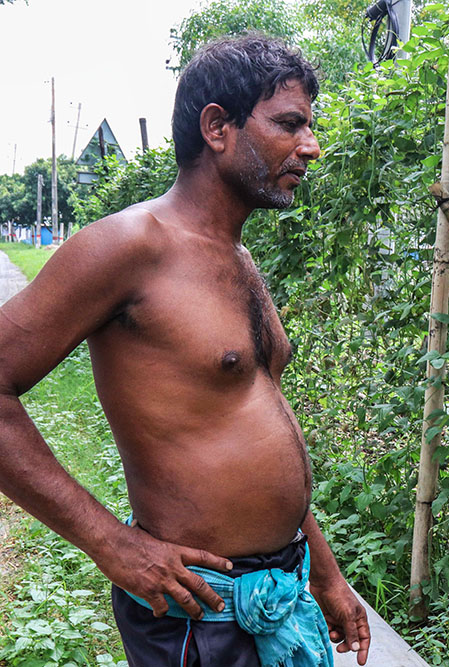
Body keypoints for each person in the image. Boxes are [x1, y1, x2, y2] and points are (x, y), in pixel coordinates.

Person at [0, 35, 370, 666]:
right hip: (200, 615)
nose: (310, 146)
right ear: (217, 127)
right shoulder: (127, 247)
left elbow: (250, 425)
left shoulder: (239, 260)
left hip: (282, 591)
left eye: (310, 126)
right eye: (289, 124)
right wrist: (112, 545)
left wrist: (326, 573)